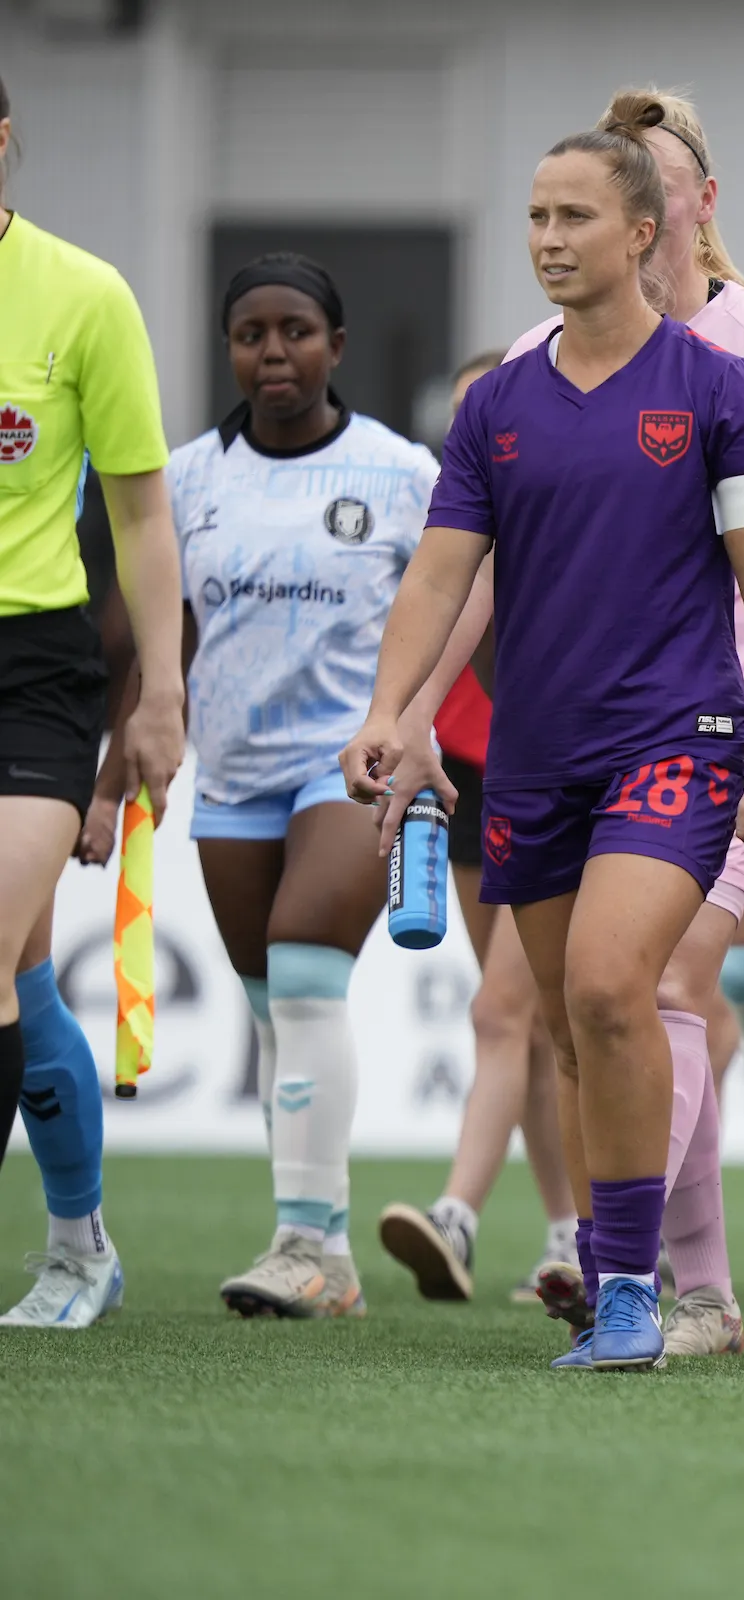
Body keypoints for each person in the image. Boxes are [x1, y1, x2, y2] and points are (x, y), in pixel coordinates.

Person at [343, 122, 744, 1373]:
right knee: (565, 1025)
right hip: (537, 761)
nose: (549, 240)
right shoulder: (497, 401)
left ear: (645, 230)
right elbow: (441, 577)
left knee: (615, 986)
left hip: (681, 740)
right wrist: (394, 712)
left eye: (576, 219)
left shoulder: (721, 387)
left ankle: (627, 1295)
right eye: (537, 219)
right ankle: (620, 1277)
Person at [489, 92, 744, 1359]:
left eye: (639, 191)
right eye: (562, 205)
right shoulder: (530, 361)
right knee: (610, 1005)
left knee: (666, 982)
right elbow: (471, 564)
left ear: (692, 207)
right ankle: (693, 1286)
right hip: (568, 742)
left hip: (730, 732)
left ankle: (639, 1268)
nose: (604, 222)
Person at [147, 255, 462, 1319]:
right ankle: (329, 1255)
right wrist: (126, 753)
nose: (272, 353)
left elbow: (471, 595)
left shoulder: (400, 471)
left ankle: (296, 1244)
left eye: (294, 331)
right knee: (276, 1012)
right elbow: (161, 623)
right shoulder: (189, 476)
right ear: (228, 346)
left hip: (349, 762)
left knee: (305, 977)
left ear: (335, 343)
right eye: (250, 334)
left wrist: (431, 728)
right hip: (231, 772)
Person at [0, 75, 188, 1329]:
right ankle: (79, 1243)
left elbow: (139, 513)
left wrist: (159, 692)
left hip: (33, 673)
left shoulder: (84, 292)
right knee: (16, 965)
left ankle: (74, 1253)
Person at [376, 351, 580, 1306]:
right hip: (461, 771)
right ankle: (571, 1233)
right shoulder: (455, 532)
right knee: (531, 1023)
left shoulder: (556, 524)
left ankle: (458, 1213)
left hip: (561, 773)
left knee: (508, 1010)